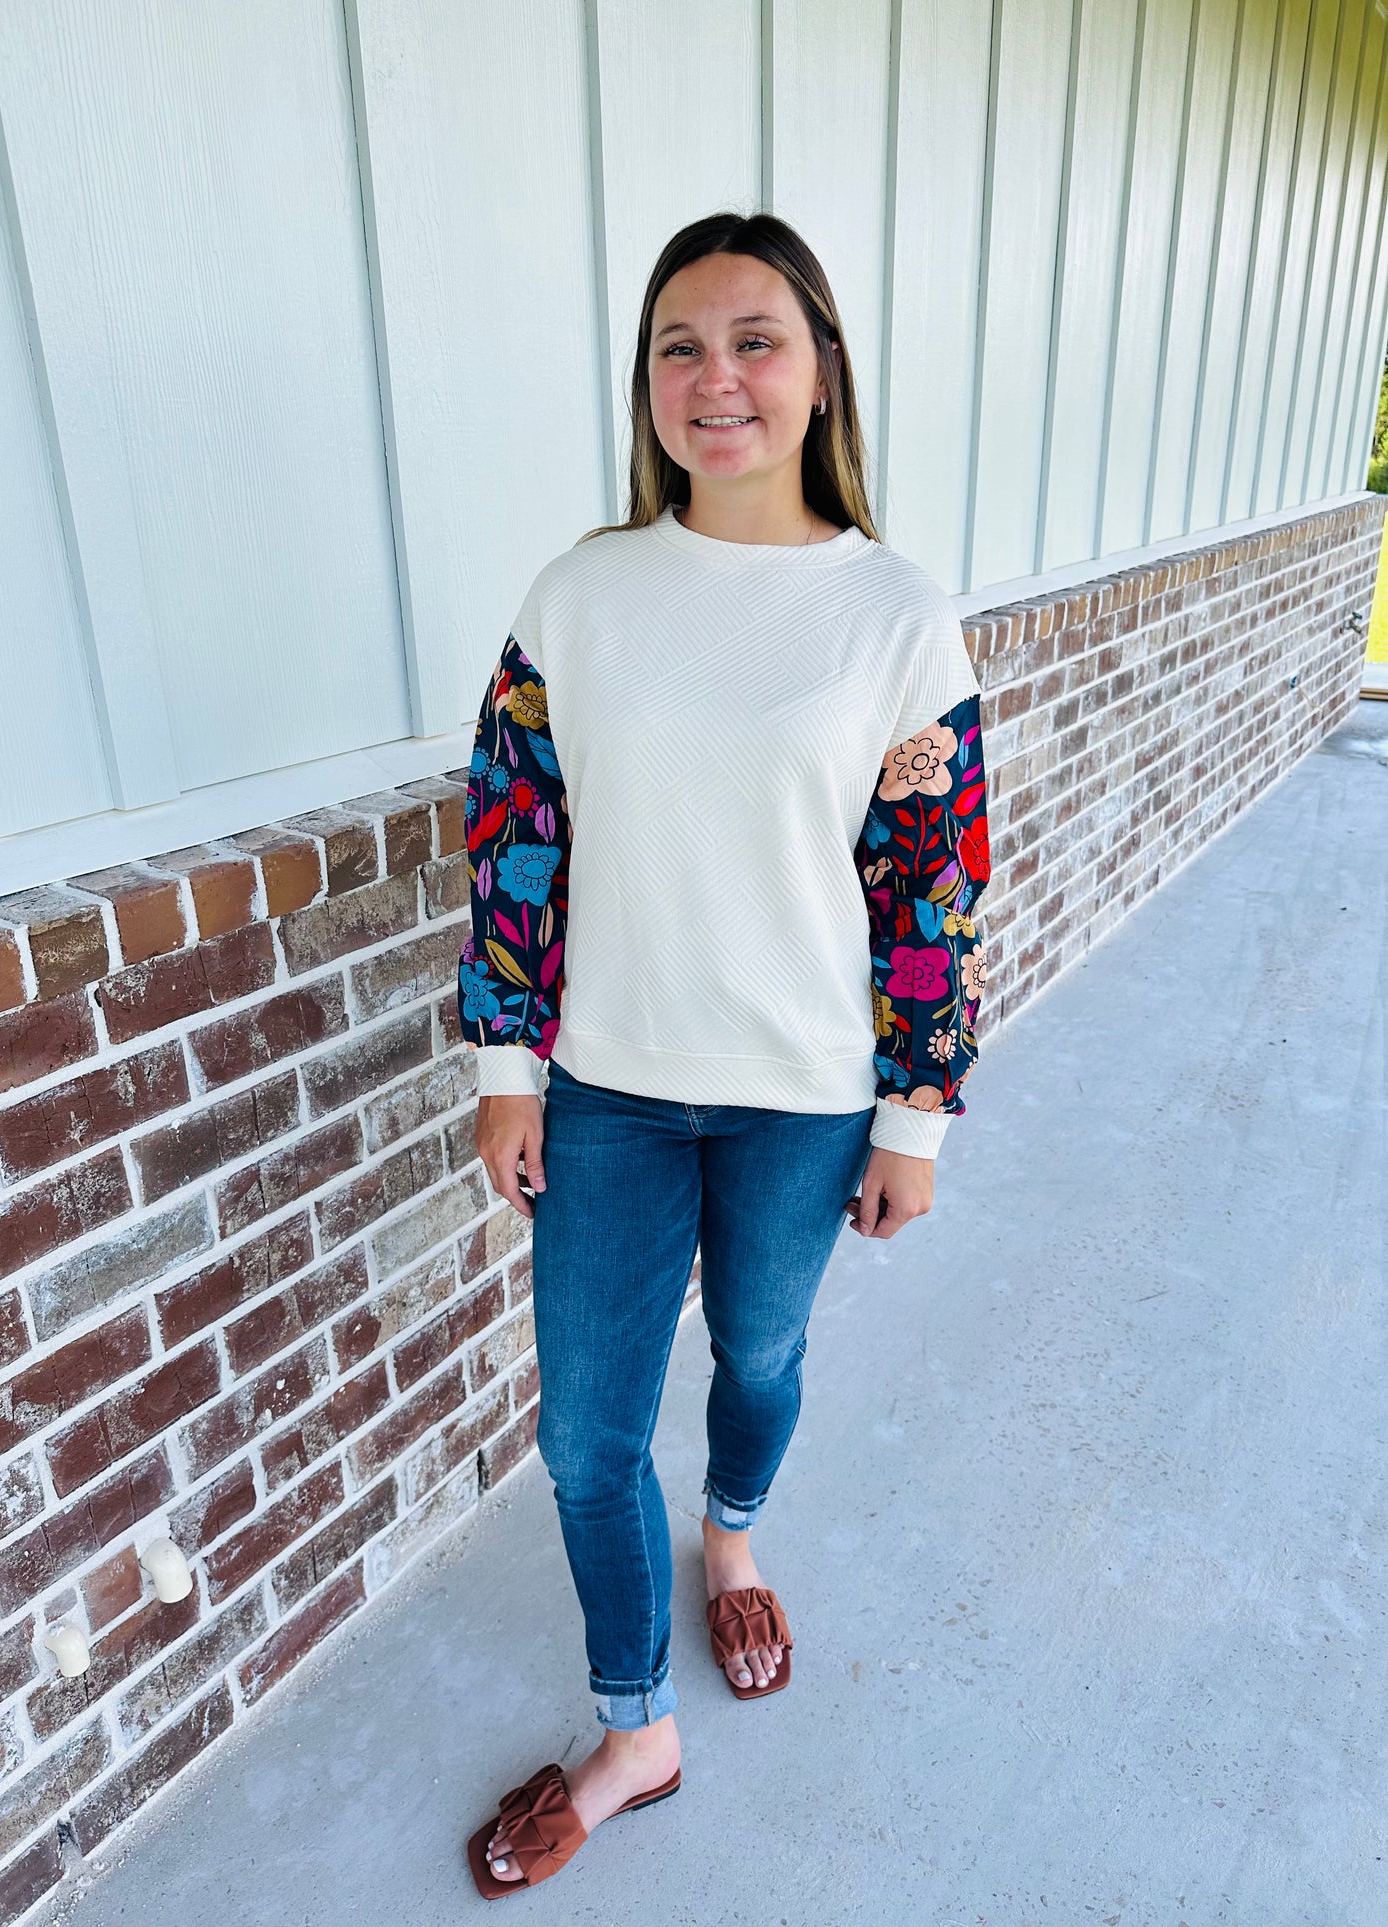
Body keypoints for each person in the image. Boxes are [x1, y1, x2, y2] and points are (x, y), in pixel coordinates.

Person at [456, 210, 992, 1898]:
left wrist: (917, 1114)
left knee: (758, 1360)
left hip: (804, 1098)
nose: (717, 379)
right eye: (679, 346)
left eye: (754, 339)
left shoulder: (894, 615)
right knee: (584, 1440)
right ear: (647, 384)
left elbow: (931, 878)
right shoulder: (579, 595)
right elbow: (514, 837)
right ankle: (635, 1730)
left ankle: (734, 1534)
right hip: (605, 1090)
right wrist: (507, 1071)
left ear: (820, 366)